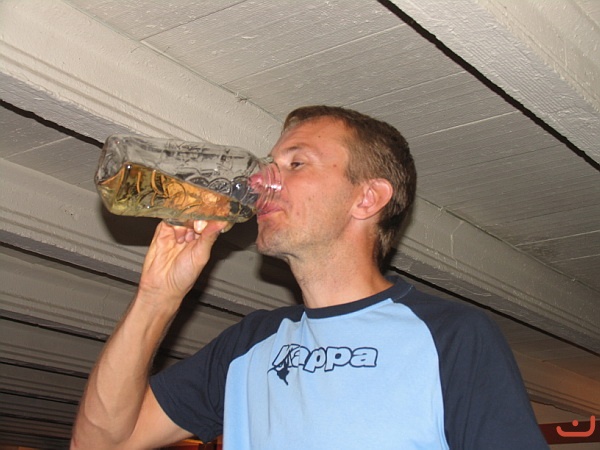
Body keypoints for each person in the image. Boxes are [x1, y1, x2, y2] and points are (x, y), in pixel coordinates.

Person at [71, 106, 548, 449]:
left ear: (367, 198)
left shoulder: (451, 335)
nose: (260, 181)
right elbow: (99, 444)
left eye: (296, 164)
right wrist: (156, 297)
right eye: (269, 166)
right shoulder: (248, 345)